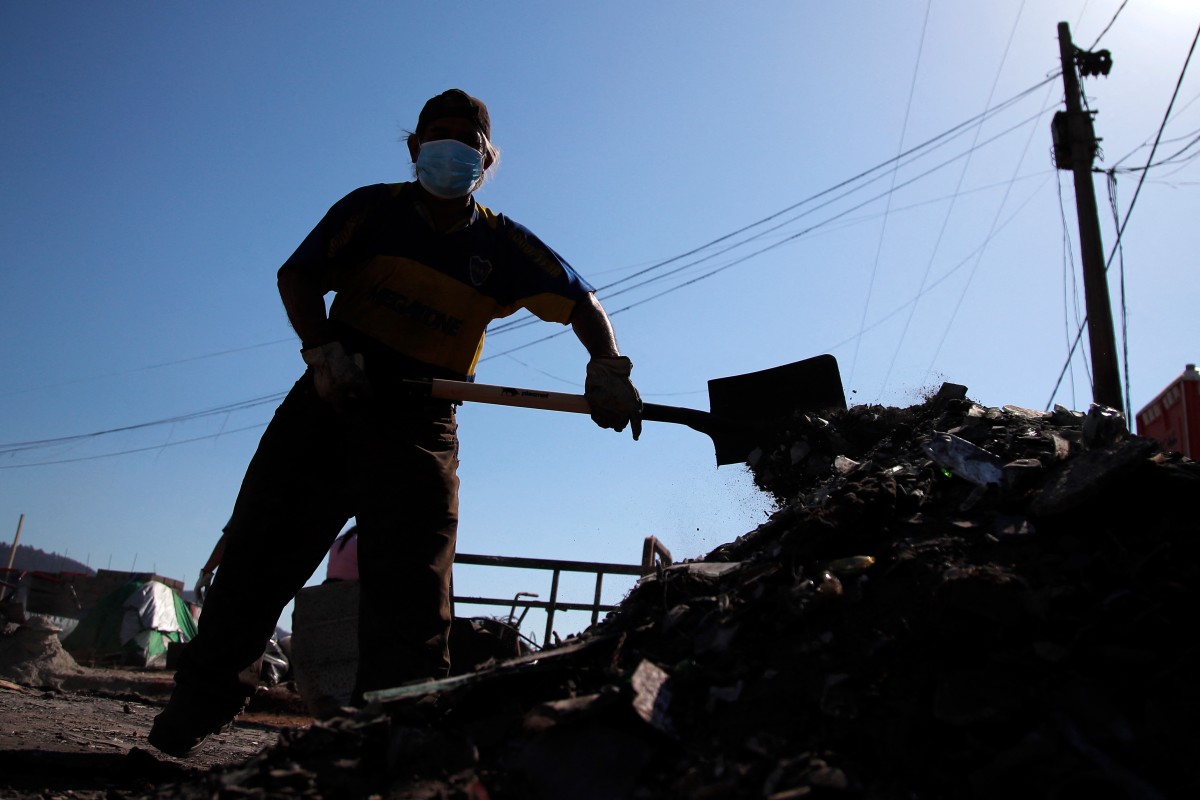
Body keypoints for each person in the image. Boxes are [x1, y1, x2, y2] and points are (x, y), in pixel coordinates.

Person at [148, 88, 643, 758]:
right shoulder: (370, 211)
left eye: (466, 141)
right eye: (437, 135)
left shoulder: (503, 246)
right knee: (257, 562)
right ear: (414, 148)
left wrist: (608, 366)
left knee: (413, 603)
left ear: (485, 160)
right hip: (333, 400)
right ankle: (182, 726)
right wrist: (321, 349)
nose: (451, 149)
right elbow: (297, 274)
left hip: (422, 425)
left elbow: (580, 298)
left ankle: (389, 746)